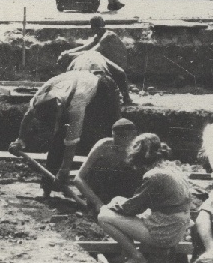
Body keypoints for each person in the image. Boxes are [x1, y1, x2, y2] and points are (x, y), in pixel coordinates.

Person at [10, 70, 121, 198]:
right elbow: (27, 118)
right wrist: (20, 140)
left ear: (59, 108)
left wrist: (64, 170)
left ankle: (98, 188)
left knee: (103, 134)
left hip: (100, 88)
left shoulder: (76, 105)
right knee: (59, 136)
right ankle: (46, 187)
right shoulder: (39, 98)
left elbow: (72, 142)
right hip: (76, 83)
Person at [97, 134, 192, 263]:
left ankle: (136, 258)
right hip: (176, 228)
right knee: (123, 207)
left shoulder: (154, 175)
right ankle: (128, 256)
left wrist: (112, 204)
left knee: (104, 216)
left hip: (164, 233)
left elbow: (131, 208)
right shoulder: (173, 169)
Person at [73, 118, 143, 211]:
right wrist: (97, 203)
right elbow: (78, 178)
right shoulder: (104, 146)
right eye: (116, 143)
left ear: (134, 137)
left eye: (124, 143)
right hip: (100, 193)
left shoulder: (139, 149)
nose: (119, 148)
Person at [57, 15, 128, 70]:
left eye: (98, 26)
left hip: (118, 66)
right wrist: (67, 52)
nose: (97, 28)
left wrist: (70, 56)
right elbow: (86, 47)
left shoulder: (109, 36)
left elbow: (93, 51)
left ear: (103, 25)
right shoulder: (98, 36)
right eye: (94, 26)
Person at [65, 48, 132, 106]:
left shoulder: (73, 63)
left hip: (84, 82)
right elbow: (121, 73)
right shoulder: (97, 55)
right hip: (99, 78)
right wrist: (126, 97)